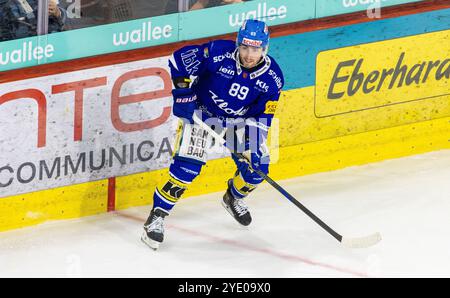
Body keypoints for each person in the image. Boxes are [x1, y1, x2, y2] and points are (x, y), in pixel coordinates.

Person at [141, 19, 284, 250]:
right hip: (201, 115)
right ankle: (157, 217)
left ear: (264, 48)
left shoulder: (273, 78)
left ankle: (233, 197)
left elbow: (263, 116)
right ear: (238, 43)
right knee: (186, 168)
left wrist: (251, 141)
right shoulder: (218, 52)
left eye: (255, 49)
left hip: (238, 122)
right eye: (245, 47)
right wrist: (183, 94)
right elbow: (179, 60)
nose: (249, 55)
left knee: (258, 167)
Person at [0, 0, 66, 42]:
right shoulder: (5, 6)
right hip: (19, 52)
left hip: (52, 45)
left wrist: (57, 13)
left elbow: (66, 22)